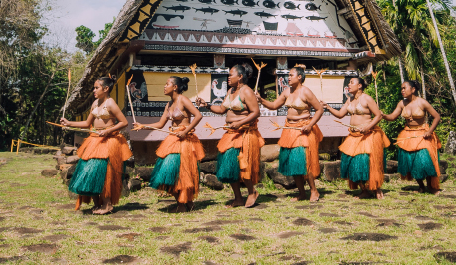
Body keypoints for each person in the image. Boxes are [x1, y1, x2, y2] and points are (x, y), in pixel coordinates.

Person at [61, 77, 131, 214]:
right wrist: (69, 123)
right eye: (94, 88)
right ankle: (97, 204)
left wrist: (107, 131)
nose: (94, 90)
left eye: (96, 88)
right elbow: (87, 124)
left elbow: (124, 122)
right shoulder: (94, 103)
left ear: (105, 89)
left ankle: (107, 205)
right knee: (89, 171)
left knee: (103, 172)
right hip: (94, 140)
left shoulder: (110, 103)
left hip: (108, 141)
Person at [196, 63, 263, 208]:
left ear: (240, 77)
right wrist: (206, 105)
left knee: (242, 164)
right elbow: (221, 109)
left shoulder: (246, 91)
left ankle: (252, 192)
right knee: (230, 164)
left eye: (231, 74)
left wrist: (240, 123)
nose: (228, 77)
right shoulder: (231, 91)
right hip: (231, 133)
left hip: (245, 133)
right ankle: (238, 198)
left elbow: (256, 112)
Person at [134, 76, 204, 212]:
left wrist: (185, 131)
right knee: (169, 172)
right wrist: (143, 126)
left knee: (182, 173)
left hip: (184, 141)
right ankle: (185, 203)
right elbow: (160, 124)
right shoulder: (168, 104)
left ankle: (183, 205)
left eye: (167, 84)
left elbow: (198, 115)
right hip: (172, 139)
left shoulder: (183, 100)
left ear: (175, 87)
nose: (164, 86)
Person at [257, 64, 323, 202]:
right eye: (288, 75)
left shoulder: (306, 92)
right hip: (289, 129)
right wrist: (261, 100)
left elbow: (319, 109)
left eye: (291, 75)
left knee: (306, 162)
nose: (288, 78)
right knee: (294, 162)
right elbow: (275, 105)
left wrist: (310, 125)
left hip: (304, 129)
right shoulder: (287, 92)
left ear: (299, 77)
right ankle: (301, 193)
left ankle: (313, 191)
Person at [322, 76, 389, 199]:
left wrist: (368, 127)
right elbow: (340, 114)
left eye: (351, 82)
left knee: (368, 162)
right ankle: (364, 190)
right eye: (348, 83)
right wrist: (328, 107)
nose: (349, 84)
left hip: (367, 135)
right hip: (353, 136)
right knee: (353, 163)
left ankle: (376, 188)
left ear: (359, 86)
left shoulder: (367, 98)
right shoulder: (349, 100)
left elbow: (378, 115)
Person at [382, 80, 442, 194]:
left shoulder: (422, 102)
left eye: (404, 88)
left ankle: (431, 186)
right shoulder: (402, 103)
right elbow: (393, 116)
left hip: (422, 134)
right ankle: (421, 186)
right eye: (401, 88)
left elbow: (437, 117)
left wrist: (430, 131)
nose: (402, 90)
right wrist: (384, 115)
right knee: (411, 161)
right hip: (408, 134)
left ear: (413, 89)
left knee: (425, 160)